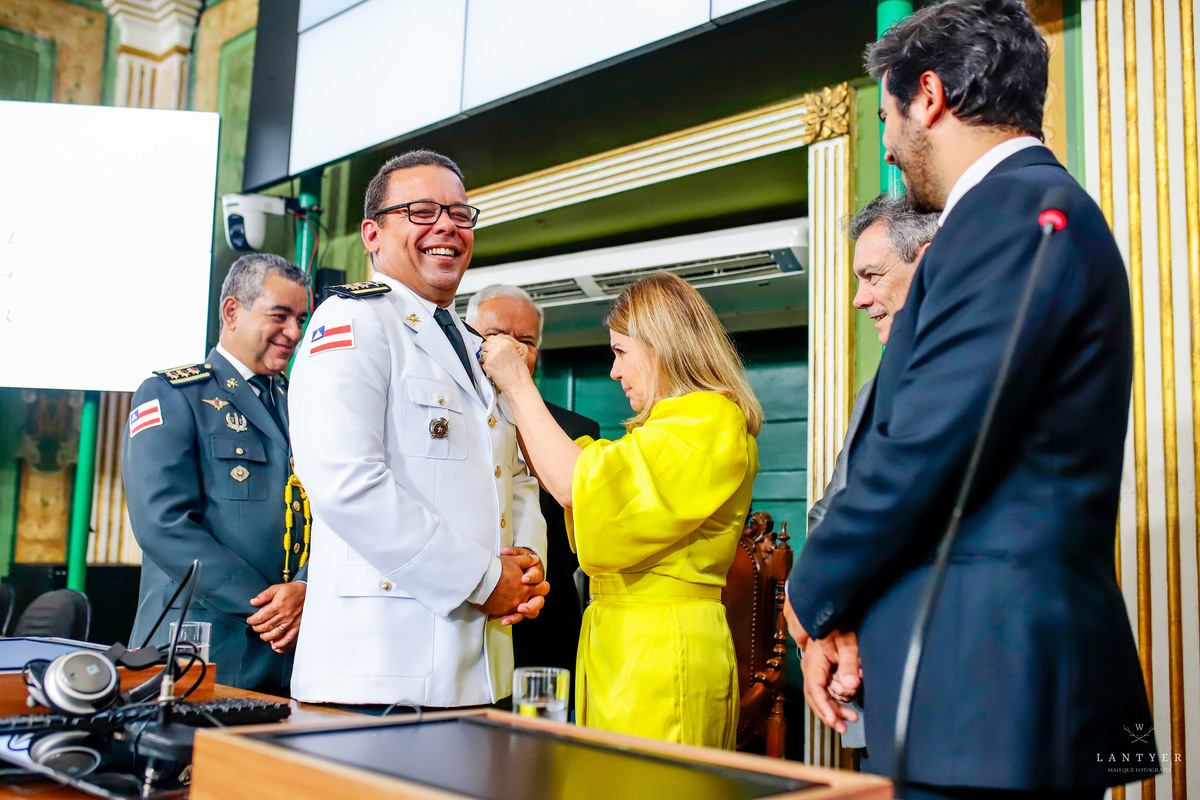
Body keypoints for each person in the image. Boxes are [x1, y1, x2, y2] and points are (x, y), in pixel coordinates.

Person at [786, 1, 1156, 797]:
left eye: (887, 117)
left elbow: (926, 446)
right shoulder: (1012, 213)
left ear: (929, 97)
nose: (886, 144)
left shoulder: (1013, 212)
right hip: (980, 687)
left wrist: (809, 593)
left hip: (991, 689)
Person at [286, 150, 548, 709]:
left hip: (480, 668)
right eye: (422, 211)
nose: (447, 227)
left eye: (459, 213)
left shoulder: (477, 347)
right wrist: (484, 579)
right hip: (381, 673)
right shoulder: (351, 322)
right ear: (372, 234)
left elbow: (515, 474)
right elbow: (346, 483)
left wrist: (526, 563)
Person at [480, 271, 761, 748]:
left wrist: (517, 384)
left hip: (664, 652)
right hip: (622, 643)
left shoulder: (711, 418)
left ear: (660, 345)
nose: (615, 372)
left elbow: (580, 483)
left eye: (621, 353)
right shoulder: (673, 426)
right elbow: (593, 469)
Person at [124, 253, 311, 696]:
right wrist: (267, 606)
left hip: (293, 643)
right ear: (232, 311)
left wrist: (305, 589)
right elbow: (162, 525)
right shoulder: (172, 394)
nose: (294, 333)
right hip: (204, 643)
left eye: (301, 319)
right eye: (280, 316)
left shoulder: (304, 401)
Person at [795, 192, 938, 750]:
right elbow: (829, 511)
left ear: (925, 262)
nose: (860, 299)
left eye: (872, 276)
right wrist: (820, 633)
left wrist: (824, 611)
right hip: (875, 679)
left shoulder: (979, 363)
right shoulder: (868, 392)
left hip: (957, 677)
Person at [465, 285, 600, 704]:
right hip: (467, 609)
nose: (513, 349)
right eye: (497, 334)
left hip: (546, 615)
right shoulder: (448, 418)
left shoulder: (578, 429)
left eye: (527, 341)